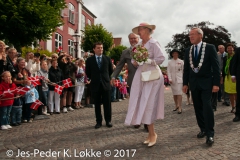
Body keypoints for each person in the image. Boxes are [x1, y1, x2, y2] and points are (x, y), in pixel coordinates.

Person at [125, 22, 165, 147]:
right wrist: (136, 61)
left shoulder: (153, 43)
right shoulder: (138, 45)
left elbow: (161, 58)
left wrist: (149, 60)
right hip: (141, 75)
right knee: (141, 102)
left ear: (147, 30)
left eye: (140, 30)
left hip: (152, 76)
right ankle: (150, 134)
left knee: (149, 104)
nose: (138, 33)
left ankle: (152, 134)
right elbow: (133, 60)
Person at [182, 27, 220, 146]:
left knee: (207, 106)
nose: (191, 37)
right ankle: (202, 129)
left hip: (207, 83)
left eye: (193, 34)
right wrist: (185, 83)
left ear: (200, 36)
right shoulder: (188, 50)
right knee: (197, 107)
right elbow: (187, 69)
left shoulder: (209, 48)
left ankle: (210, 134)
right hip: (194, 84)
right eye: (189, 35)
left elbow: (216, 66)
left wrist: (216, 83)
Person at [86, 42, 113, 129]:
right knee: (97, 104)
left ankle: (108, 120)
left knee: (107, 104)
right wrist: (95, 78)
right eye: (98, 48)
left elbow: (110, 71)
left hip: (106, 84)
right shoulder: (89, 60)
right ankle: (98, 121)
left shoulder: (107, 59)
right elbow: (88, 72)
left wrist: (105, 79)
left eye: (101, 48)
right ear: (94, 49)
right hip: (95, 85)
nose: (100, 49)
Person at [167, 49, 184, 114]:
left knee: (179, 93)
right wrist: (170, 78)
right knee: (175, 93)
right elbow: (168, 71)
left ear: (178, 54)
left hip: (180, 79)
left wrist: (183, 78)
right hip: (173, 80)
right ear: (172, 54)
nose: (175, 54)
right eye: (174, 53)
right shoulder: (170, 62)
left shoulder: (181, 61)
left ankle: (180, 107)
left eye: (176, 53)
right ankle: (176, 105)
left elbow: (183, 70)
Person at [222, 43, 237, 113]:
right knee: (230, 92)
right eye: (228, 48)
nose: (229, 49)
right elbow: (223, 67)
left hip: (234, 76)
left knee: (236, 92)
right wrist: (222, 77)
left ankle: (237, 106)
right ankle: (233, 106)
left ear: (233, 48)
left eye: (230, 48)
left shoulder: (236, 56)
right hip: (227, 76)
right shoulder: (225, 57)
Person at [231, 47, 240, 122]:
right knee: (239, 96)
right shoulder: (238, 50)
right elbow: (234, 62)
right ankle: (238, 114)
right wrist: (233, 75)